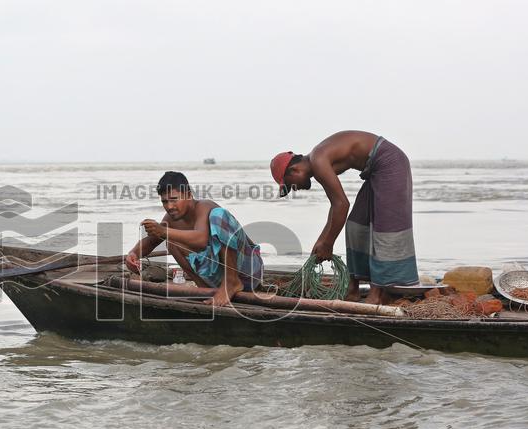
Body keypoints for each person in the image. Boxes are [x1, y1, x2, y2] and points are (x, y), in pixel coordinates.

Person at [270, 130, 418, 304]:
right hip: (374, 171)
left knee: (384, 229)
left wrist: (329, 243)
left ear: (294, 170)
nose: (294, 189)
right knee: (356, 226)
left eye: (290, 185)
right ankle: (352, 289)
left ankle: (377, 294)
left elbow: (342, 204)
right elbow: (335, 208)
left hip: (390, 163)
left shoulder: (318, 161)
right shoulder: (317, 161)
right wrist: (321, 241)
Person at [124, 171, 263, 307]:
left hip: (248, 272)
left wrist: (163, 230)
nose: (169, 206)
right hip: (217, 281)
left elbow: (201, 240)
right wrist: (133, 254)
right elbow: (152, 240)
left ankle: (231, 282)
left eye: (174, 199)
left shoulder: (204, 207)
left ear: (188, 195)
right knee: (171, 242)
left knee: (218, 216)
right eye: (164, 201)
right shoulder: (171, 219)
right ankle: (203, 289)